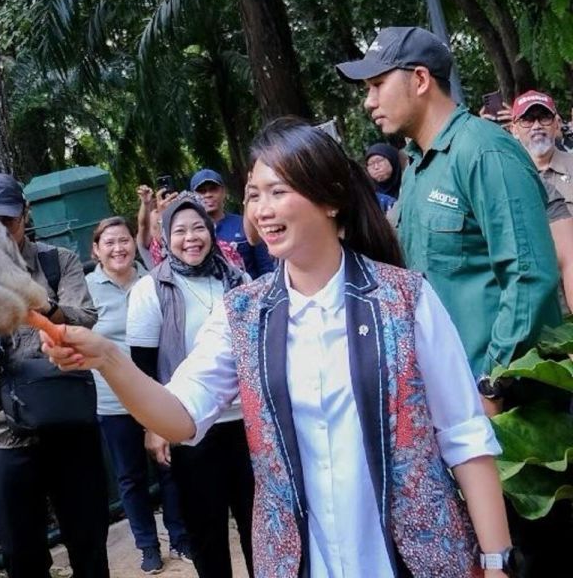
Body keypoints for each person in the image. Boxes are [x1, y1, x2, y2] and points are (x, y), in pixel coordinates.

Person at [44, 120, 516, 578]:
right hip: (297, 562)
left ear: (330, 199)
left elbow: (465, 435)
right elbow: (180, 416)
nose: (261, 210)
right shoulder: (243, 314)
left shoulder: (405, 299)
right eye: (253, 194)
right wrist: (106, 357)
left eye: (277, 191)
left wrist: (497, 561)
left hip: (417, 556)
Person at [337, 26, 561, 384]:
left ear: (421, 79)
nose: (369, 101)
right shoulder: (416, 168)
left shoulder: (484, 151)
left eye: (378, 85)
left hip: (508, 403)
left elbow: (530, 276)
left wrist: (493, 381)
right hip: (453, 392)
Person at [0, 172, 110, 578]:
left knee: (89, 540)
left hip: (68, 421)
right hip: (4, 434)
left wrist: (42, 304)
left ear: (25, 215)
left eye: (7, 220)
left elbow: (85, 318)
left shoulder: (57, 261)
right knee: (21, 553)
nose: (0, 232)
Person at [127, 194, 254, 578]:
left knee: (258, 524)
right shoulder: (151, 290)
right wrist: (154, 426)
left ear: (211, 231)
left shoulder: (238, 279)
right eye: (180, 230)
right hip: (190, 427)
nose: (191, 237)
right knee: (206, 529)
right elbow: (143, 369)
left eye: (198, 227)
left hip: (246, 424)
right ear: (165, 237)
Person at [86, 216, 189, 574]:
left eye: (124, 240)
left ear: (135, 242)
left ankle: (180, 536)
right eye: (109, 242)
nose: (118, 248)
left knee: (169, 468)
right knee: (130, 477)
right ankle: (147, 545)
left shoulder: (154, 281)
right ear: (96, 251)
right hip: (113, 401)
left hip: (157, 393)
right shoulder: (86, 289)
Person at [508, 90, 573, 309]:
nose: (536, 125)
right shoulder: (507, 179)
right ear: (513, 129)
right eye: (527, 119)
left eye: (543, 117)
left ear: (556, 124)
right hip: (536, 304)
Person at [191, 168, 274, 277]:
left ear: (224, 192)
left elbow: (265, 266)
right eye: (202, 191)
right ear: (192, 195)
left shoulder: (244, 224)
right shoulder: (190, 233)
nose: (208, 195)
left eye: (213, 189)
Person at [363, 143, 402, 211]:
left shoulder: (409, 182)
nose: (376, 167)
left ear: (392, 159)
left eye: (379, 161)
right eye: (371, 164)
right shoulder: (370, 195)